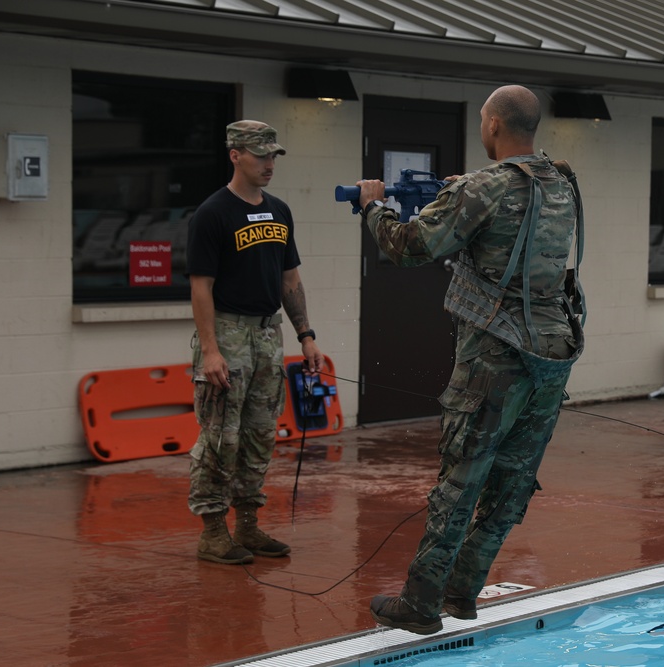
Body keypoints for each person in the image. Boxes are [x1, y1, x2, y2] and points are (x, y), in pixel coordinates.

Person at [356, 85, 584, 634]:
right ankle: (463, 590)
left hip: (495, 354)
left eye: (483, 122)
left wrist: (372, 206)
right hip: (552, 351)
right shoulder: (563, 182)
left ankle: (422, 601)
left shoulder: (486, 187)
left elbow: (410, 246)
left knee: (461, 479)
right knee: (512, 482)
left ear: (495, 128)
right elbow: (513, 229)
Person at [186, 120, 325, 565]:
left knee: (260, 433)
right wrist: (210, 350)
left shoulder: (280, 211)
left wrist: (306, 336)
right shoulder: (213, 213)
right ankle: (212, 531)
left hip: (268, 334)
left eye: (273, 156)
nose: (269, 164)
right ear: (235, 155)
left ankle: (247, 524)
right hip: (227, 332)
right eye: (261, 155)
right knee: (220, 436)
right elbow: (200, 287)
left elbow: (290, 279)